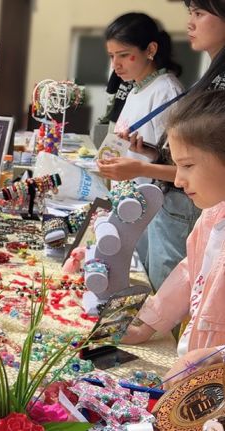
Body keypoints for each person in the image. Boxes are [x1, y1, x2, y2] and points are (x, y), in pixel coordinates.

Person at [122, 90, 225, 388]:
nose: (178, 180)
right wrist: (150, 323)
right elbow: (190, 271)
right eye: (176, 165)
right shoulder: (212, 215)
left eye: (188, 165)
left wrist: (216, 357)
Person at [97, 12, 198, 291]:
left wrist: (140, 166)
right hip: (143, 203)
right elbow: (165, 152)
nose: (115, 64)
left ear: (151, 50)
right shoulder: (137, 89)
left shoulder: (166, 92)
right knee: (143, 280)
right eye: (111, 56)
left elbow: (187, 167)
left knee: (163, 289)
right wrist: (145, 152)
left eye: (124, 55)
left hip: (166, 205)